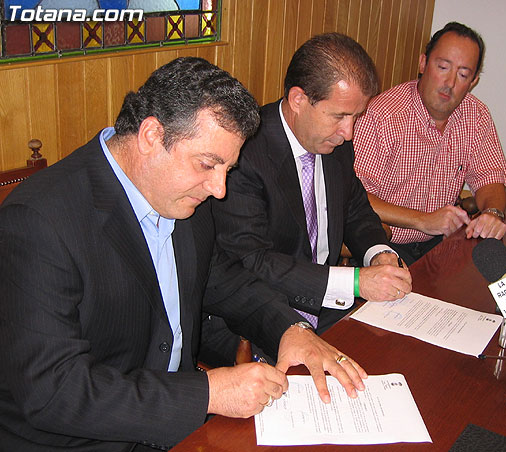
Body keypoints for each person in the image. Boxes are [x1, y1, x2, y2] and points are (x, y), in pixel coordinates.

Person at [0, 57, 368, 452]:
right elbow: (53, 391)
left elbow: (219, 278)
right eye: (208, 164)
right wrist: (207, 393)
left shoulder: (185, 194)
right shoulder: (38, 222)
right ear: (152, 136)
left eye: (227, 168)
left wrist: (289, 329)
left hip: (178, 425)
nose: (219, 188)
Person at [211, 33, 412, 340]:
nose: (348, 132)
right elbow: (252, 261)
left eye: (356, 117)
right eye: (339, 116)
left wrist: (378, 254)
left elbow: (355, 208)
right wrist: (355, 282)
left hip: (329, 304)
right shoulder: (245, 153)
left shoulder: (334, 142)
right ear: (298, 100)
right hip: (262, 317)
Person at [353, 22, 506, 265]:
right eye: (443, 67)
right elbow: (355, 198)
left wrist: (492, 213)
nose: (449, 82)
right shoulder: (382, 116)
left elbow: (489, 178)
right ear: (423, 63)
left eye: (462, 74)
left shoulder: (476, 114)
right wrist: (423, 220)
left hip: (441, 244)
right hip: (384, 244)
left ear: (473, 81)